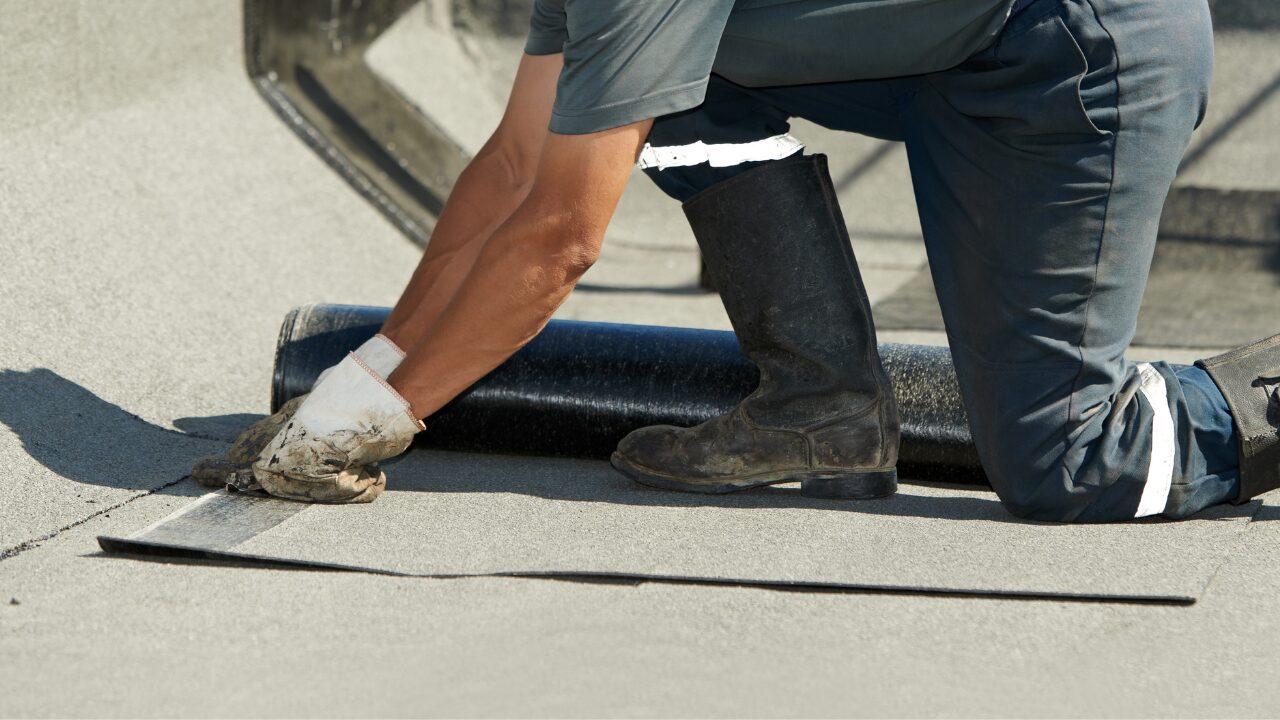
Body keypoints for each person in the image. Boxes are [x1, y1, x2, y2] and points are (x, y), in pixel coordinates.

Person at [197, 0, 1280, 522]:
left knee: (1068, 465)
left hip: (1076, 62)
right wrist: (367, 371)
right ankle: (821, 402)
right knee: (663, 90)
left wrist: (373, 427)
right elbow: (516, 164)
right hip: (937, 48)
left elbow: (557, 240)